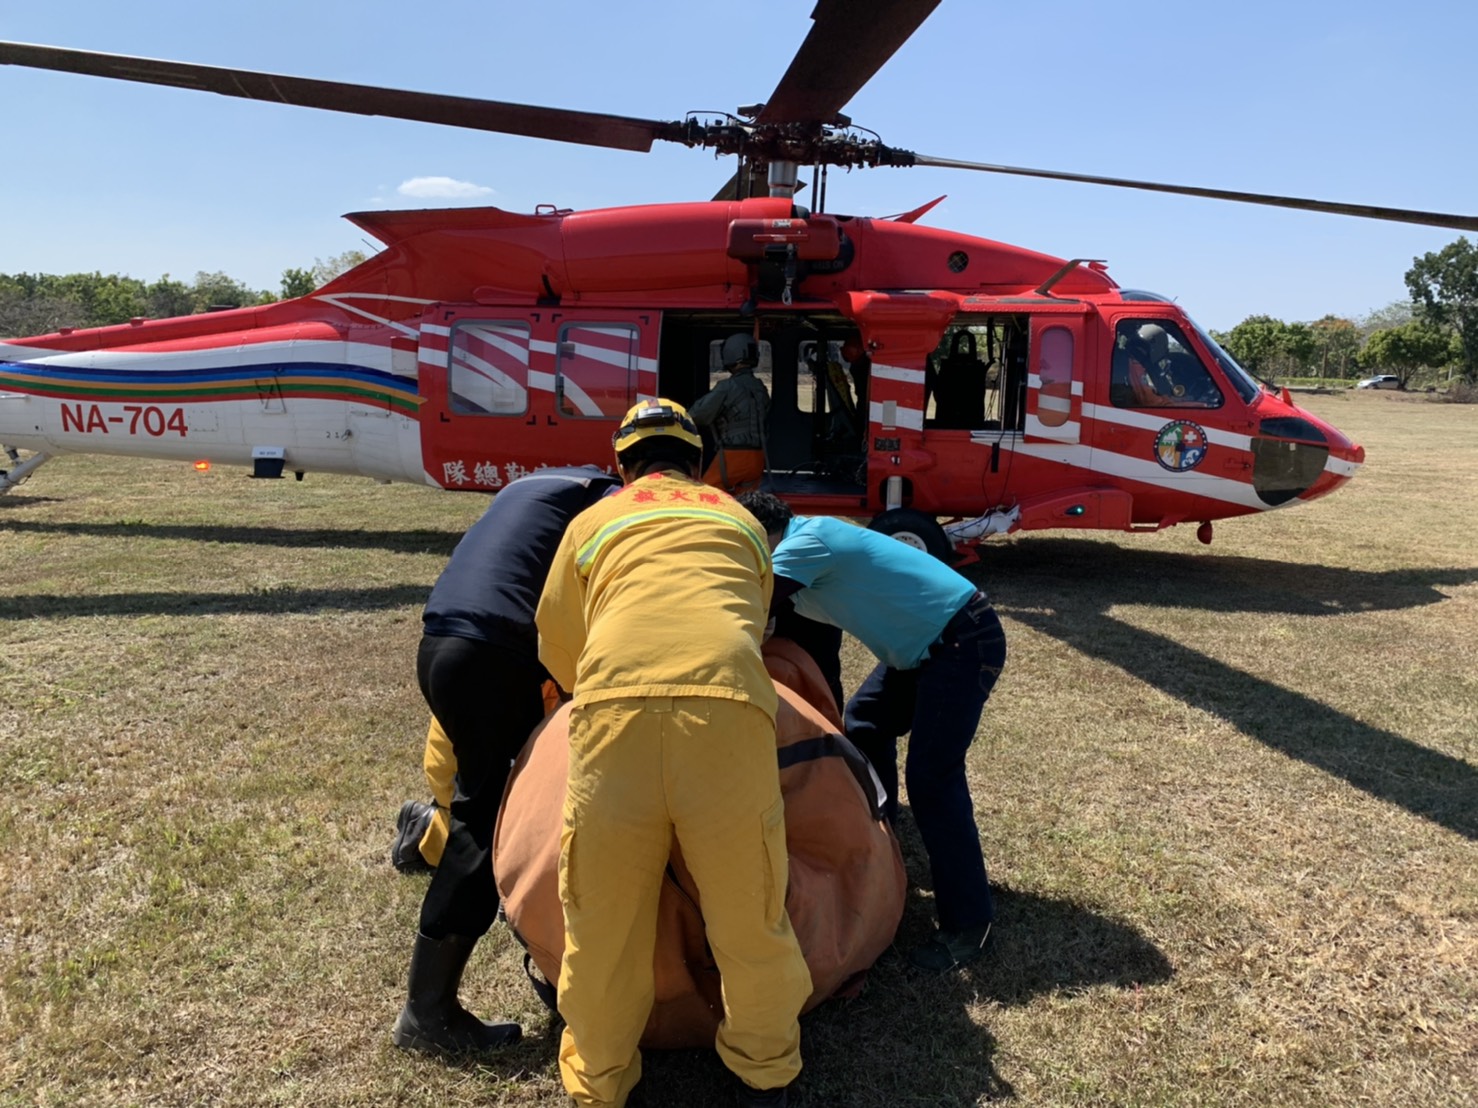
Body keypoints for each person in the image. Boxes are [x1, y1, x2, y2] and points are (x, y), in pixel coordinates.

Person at [537, 399, 812, 1108]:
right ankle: (765, 1072)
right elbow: (750, 620)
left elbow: (559, 640)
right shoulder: (740, 519)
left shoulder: (593, 522)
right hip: (726, 719)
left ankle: (600, 1080)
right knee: (750, 912)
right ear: (698, 464)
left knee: (601, 923)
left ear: (623, 467)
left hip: (613, 717)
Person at [390, 465, 620, 1055]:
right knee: (490, 825)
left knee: (483, 802)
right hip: (494, 655)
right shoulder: (611, 500)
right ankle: (429, 1013)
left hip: (442, 643)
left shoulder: (538, 487)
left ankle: (426, 831)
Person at [738, 492, 1007, 974]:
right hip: (924, 648)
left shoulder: (805, 543)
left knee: (933, 778)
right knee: (864, 723)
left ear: (760, 535)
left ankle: (970, 924)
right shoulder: (808, 544)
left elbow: (746, 607)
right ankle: (883, 843)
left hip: (961, 640)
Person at [689, 332, 770, 492]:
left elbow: (697, 415)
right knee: (746, 500)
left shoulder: (726, 387)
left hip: (733, 456)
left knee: (705, 495)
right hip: (758, 457)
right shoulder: (760, 387)